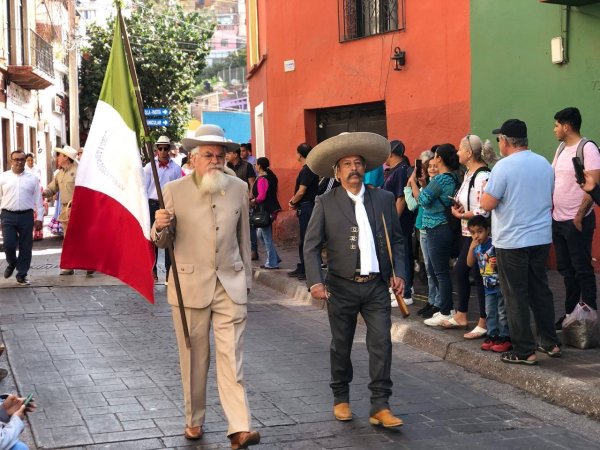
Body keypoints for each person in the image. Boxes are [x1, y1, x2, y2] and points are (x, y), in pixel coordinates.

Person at [152, 124, 260, 449]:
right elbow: (163, 242)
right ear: (194, 159)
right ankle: (194, 419)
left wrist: (248, 281)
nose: (215, 161)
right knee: (194, 359)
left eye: (220, 155)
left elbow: (244, 239)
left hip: (230, 283)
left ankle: (239, 427)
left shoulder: (239, 187)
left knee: (232, 358)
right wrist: (159, 228)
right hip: (189, 287)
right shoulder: (173, 190)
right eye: (208, 155)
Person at [303, 132, 406, 428]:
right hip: (341, 286)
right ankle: (341, 398)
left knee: (382, 344)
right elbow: (310, 246)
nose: (353, 168)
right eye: (346, 163)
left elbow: (397, 241)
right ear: (337, 170)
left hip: (376, 286)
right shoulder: (326, 201)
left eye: (358, 162)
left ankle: (380, 405)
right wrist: (315, 281)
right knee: (341, 345)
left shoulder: (384, 199)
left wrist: (399, 272)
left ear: (365, 167)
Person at [481, 119, 561, 365]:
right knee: (540, 290)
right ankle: (550, 342)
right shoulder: (544, 164)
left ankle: (525, 350)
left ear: (505, 141)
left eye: (499, 139)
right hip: (540, 237)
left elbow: (487, 204)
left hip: (512, 239)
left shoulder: (503, 167)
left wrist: (487, 190)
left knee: (515, 294)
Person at [441, 134, 496, 338]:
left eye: (460, 149)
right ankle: (463, 314)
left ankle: (484, 320)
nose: (457, 152)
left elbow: (485, 209)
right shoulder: (468, 174)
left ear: (469, 153)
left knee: (476, 274)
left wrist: (464, 214)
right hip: (468, 232)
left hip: (478, 234)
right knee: (464, 271)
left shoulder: (483, 176)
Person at [551, 107, 600, 330]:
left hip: (576, 220)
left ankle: (589, 318)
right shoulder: (561, 148)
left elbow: (592, 186)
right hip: (558, 220)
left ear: (566, 126)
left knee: (582, 269)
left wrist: (579, 216)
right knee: (566, 270)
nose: (554, 130)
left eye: (556, 125)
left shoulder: (587, 148)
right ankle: (570, 314)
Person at [407, 144, 460, 326]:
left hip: (437, 227)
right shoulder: (451, 177)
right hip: (439, 226)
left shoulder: (441, 180)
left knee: (440, 272)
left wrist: (413, 182)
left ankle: (446, 310)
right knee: (436, 271)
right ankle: (444, 307)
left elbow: (421, 200)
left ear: (439, 159)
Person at [466, 215, 511, 353]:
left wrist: (497, 263)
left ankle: (505, 337)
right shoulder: (476, 247)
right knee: (490, 312)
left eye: (480, 231)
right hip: (487, 287)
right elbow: (468, 263)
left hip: (500, 285)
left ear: (487, 230)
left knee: (502, 312)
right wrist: (471, 247)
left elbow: (503, 262)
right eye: (473, 233)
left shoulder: (494, 244)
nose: (476, 236)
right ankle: (492, 335)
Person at [405, 151, 441, 318]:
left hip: (432, 229)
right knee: (428, 269)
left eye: (435, 166)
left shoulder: (437, 184)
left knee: (435, 269)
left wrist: (413, 183)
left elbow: (420, 201)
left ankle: (438, 302)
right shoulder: (427, 184)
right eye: (430, 166)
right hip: (422, 229)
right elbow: (414, 204)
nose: (432, 169)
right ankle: (432, 300)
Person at [0, 150, 44, 285]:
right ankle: (12, 263)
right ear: (11, 161)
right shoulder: (3, 177)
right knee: (9, 244)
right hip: (8, 216)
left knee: (26, 246)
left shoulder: (33, 178)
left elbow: (38, 199)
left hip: (26, 216)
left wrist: (40, 218)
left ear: (25, 161)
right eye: (16, 159)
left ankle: (22, 274)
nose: (19, 162)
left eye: (22, 159)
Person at [144, 135, 183, 284]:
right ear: (156, 150)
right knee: (152, 239)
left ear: (169, 150)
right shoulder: (149, 167)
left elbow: (179, 189)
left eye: (165, 148)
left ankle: (169, 273)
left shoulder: (176, 168)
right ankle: (152, 271)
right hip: (152, 204)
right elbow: (144, 187)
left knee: (169, 240)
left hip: (169, 206)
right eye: (160, 148)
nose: (163, 151)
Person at [383, 139, 415, 307]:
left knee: (401, 255)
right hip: (396, 221)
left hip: (400, 222)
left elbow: (401, 198)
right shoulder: (394, 170)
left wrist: (392, 222)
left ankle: (406, 291)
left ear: (391, 153)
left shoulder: (401, 171)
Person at [42, 146, 80, 275]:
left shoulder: (78, 171)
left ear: (66, 157)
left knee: (82, 237)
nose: (57, 157)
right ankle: (69, 265)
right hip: (65, 210)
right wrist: (43, 193)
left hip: (78, 209)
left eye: (60, 155)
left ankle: (89, 263)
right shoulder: (59, 173)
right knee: (68, 238)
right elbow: (52, 188)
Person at [288, 143, 319, 281]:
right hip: (305, 206)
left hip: (307, 207)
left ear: (299, 154)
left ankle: (307, 270)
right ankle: (302, 266)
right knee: (303, 239)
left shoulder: (308, 170)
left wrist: (293, 202)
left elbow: (301, 191)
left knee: (307, 239)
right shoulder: (309, 169)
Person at [225, 146, 258, 261]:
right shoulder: (225, 167)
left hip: (244, 199)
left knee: (249, 225)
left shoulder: (247, 166)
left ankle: (253, 250)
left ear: (235, 154)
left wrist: (250, 196)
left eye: (228, 153)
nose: (226, 156)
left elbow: (252, 182)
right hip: (229, 200)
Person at [251, 157, 282, 269]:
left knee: (266, 236)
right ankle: (274, 257)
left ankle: (272, 263)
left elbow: (261, 196)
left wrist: (253, 201)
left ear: (259, 165)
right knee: (261, 235)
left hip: (265, 211)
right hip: (271, 209)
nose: (255, 166)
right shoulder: (270, 176)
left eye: (256, 164)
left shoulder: (262, 179)